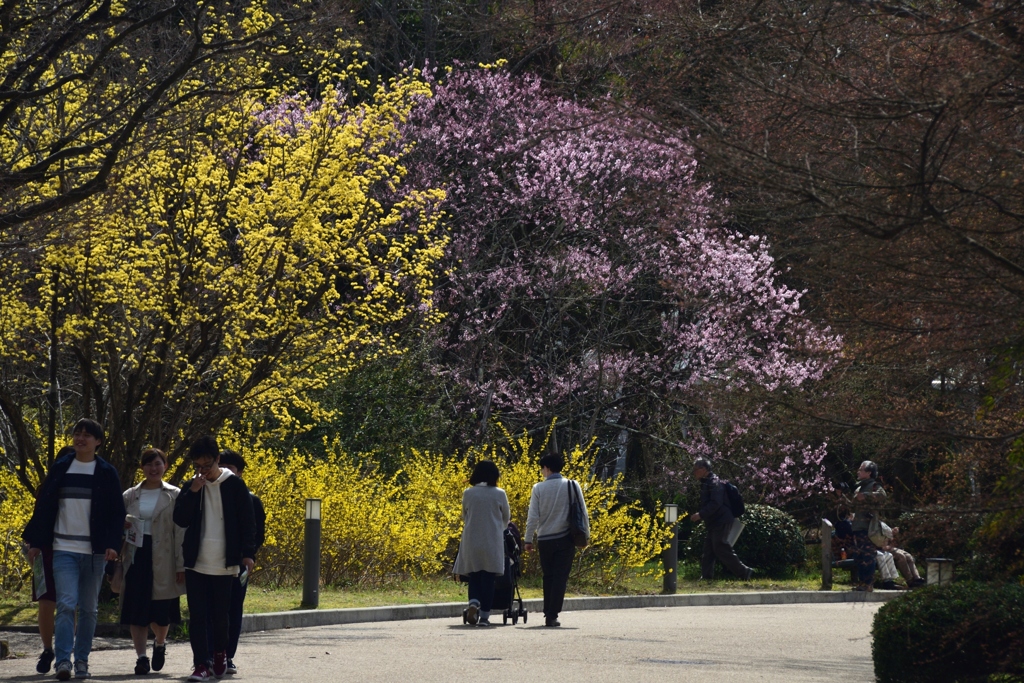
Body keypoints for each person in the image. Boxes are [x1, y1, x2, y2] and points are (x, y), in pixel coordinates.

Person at [22, 419, 127, 681]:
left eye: (87, 435)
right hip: (63, 548)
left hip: (94, 552)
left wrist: (113, 544)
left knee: (89, 608)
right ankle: (63, 661)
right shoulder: (60, 468)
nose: (81, 439)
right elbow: (44, 507)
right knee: (66, 604)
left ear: (98, 441)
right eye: (77, 434)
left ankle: (82, 660)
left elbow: (117, 513)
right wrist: (36, 542)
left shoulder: (106, 472)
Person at [173, 436, 256, 682]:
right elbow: (180, 519)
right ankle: (201, 663)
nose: (203, 471)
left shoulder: (234, 485)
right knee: (197, 615)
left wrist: (247, 554)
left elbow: (247, 521)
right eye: (198, 466)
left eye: (207, 465)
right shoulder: (192, 487)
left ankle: (220, 653)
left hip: (225, 561)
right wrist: (193, 492)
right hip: (196, 561)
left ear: (217, 460)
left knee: (221, 615)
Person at [120, 448, 185, 675]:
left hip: (165, 558)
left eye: (157, 464)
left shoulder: (175, 494)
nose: (153, 468)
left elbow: (180, 532)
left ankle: (159, 643)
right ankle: (141, 657)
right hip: (137, 556)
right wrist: (123, 526)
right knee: (137, 611)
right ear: (142, 468)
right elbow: (117, 527)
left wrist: (180, 565)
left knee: (161, 613)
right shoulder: (130, 495)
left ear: (165, 466)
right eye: (148, 464)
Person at [207, 449, 266, 673]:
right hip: (209, 561)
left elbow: (257, 533)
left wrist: (247, 556)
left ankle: (227, 656)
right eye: (222, 468)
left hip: (237, 564)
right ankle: (210, 655)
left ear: (240, 473)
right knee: (210, 610)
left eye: (231, 470)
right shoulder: (207, 493)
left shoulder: (251, 500)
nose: (226, 473)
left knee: (232, 609)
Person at [524, 454, 589, 628]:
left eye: (542, 468)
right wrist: (586, 536)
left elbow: (532, 517)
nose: (542, 472)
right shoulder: (572, 485)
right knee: (560, 577)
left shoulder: (538, 488)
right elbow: (583, 513)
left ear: (547, 467)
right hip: (566, 539)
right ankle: (552, 615)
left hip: (545, 540)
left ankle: (548, 611)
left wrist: (528, 539)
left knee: (548, 577)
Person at [28, 446, 75, 674]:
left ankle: (66, 651)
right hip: (46, 550)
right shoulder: (46, 487)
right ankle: (48, 649)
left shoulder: (86, 486)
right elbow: (38, 519)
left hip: (75, 549)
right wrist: (34, 545)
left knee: (70, 603)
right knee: (46, 604)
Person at [452, 460, 511, 627]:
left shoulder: (468, 493)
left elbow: (464, 515)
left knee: (474, 576)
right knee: (489, 577)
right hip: (492, 540)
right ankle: (484, 616)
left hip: (471, 540)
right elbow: (506, 518)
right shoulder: (500, 493)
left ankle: (473, 603)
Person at [689, 458, 753, 581]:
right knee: (709, 549)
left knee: (720, 546)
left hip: (721, 520)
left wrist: (700, 514)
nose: (694, 473)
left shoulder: (714, 482)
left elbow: (716, 503)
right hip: (714, 521)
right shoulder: (707, 482)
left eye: (695, 470)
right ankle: (706, 576)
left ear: (703, 469)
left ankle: (744, 572)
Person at [846, 460, 886, 591]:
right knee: (859, 555)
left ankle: (868, 584)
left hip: (868, 527)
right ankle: (862, 582)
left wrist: (867, 496)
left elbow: (882, 496)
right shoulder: (858, 488)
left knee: (868, 555)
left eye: (861, 469)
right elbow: (853, 504)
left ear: (869, 473)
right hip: (857, 526)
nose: (858, 472)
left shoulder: (874, 486)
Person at [880, 523, 925, 588]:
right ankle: (910, 581)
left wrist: (892, 531)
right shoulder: (871, 524)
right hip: (880, 547)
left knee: (908, 556)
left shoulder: (880, 523)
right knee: (900, 556)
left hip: (887, 546)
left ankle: (916, 578)